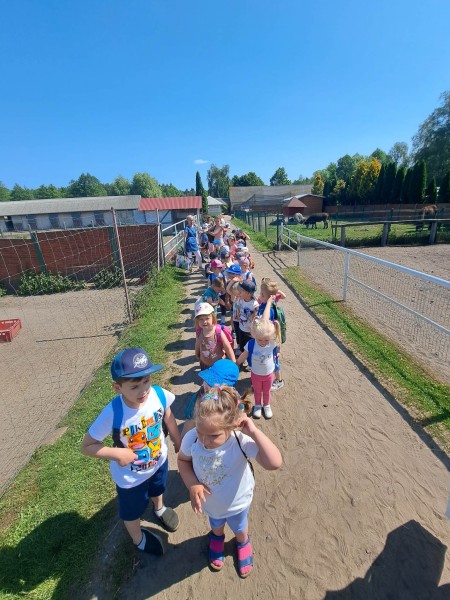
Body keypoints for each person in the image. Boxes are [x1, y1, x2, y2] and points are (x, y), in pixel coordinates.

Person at [81, 348, 181, 555]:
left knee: (158, 488)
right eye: (135, 386)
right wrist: (117, 454)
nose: (143, 390)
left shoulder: (159, 395)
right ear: (117, 387)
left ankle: (159, 508)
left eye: (146, 381)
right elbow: (87, 446)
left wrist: (177, 439)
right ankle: (138, 538)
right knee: (131, 511)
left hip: (158, 461)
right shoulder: (113, 412)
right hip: (130, 478)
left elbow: (168, 416)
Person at [177, 385, 282, 577]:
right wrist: (192, 484)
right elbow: (183, 461)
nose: (204, 441)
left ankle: (242, 541)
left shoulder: (239, 441)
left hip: (237, 503)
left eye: (213, 435)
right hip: (212, 505)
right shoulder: (192, 439)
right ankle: (217, 538)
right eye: (200, 431)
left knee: (240, 526)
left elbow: (274, 462)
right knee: (216, 524)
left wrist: (254, 431)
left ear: (232, 425)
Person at [236, 314, 281, 419]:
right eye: (260, 339)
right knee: (257, 391)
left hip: (269, 374)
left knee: (266, 391)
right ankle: (257, 405)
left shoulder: (272, 343)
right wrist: (237, 363)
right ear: (254, 334)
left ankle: (266, 405)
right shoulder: (251, 344)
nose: (263, 342)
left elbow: (278, 347)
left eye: (266, 340)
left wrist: (278, 353)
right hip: (255, 374)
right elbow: (244, 354)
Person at [182, 359, 241, 436]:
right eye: (207, 380)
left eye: (212, 384)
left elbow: (240, 422)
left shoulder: (235, 400)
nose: (207, 385)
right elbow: (189, 424)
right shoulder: (198, 397)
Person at [257, 280, 286, 391]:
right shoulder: (264, 305)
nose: (259, 295)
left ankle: (279, 380)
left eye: (261, 293)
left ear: (264, 295)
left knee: (274, 360)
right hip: (265, 339)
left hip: (269, 340)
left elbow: (264, 321)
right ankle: (266, 374)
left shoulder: (268, 309)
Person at [194, 302, 235, 369]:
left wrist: (233, 362)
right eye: (201, 319)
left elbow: (227, 347)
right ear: (197, 320)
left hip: (219, 363)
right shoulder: (199, 331)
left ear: (213, 318)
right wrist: (197, 353)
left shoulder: (218, 331)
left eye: (207, 318)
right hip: (204, 363)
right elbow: (198, 343)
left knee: (219, 375)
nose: (204, 322)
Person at [237, 280, 259, 358]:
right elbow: (239, 307)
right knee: (242, 344)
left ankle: (249, 359)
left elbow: (256, 317)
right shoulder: (241, 300)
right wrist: (238, 315)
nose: (240, 292)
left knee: (249, 347)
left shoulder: (254, 304)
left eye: (242, 290)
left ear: (248, 294)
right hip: (241, 327)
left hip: (249, 331)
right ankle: (241, 356)